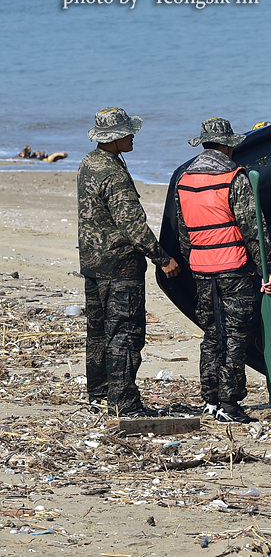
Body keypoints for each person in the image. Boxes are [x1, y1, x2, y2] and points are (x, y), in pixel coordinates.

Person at [78, 107, 181, 417]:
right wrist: (163, 258)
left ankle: (98, 395)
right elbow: (131, 224)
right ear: (114, 138)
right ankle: (125, 404)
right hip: (120, 264)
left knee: (98, 332)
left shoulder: (89, 163)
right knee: (125, 333)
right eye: (127, 132)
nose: (133, 135)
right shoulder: (112, 171)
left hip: (93, 262)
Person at [176, 117, 271, 423]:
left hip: (200, 267)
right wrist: (266, 269)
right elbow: (252, 227)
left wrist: (191, 261)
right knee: (235, 334)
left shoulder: (184, 178)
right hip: (233, 266)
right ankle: (230, 404)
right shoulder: (234, 176)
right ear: (225, 145)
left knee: (211, 333)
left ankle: (210, 399)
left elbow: (183, 233)